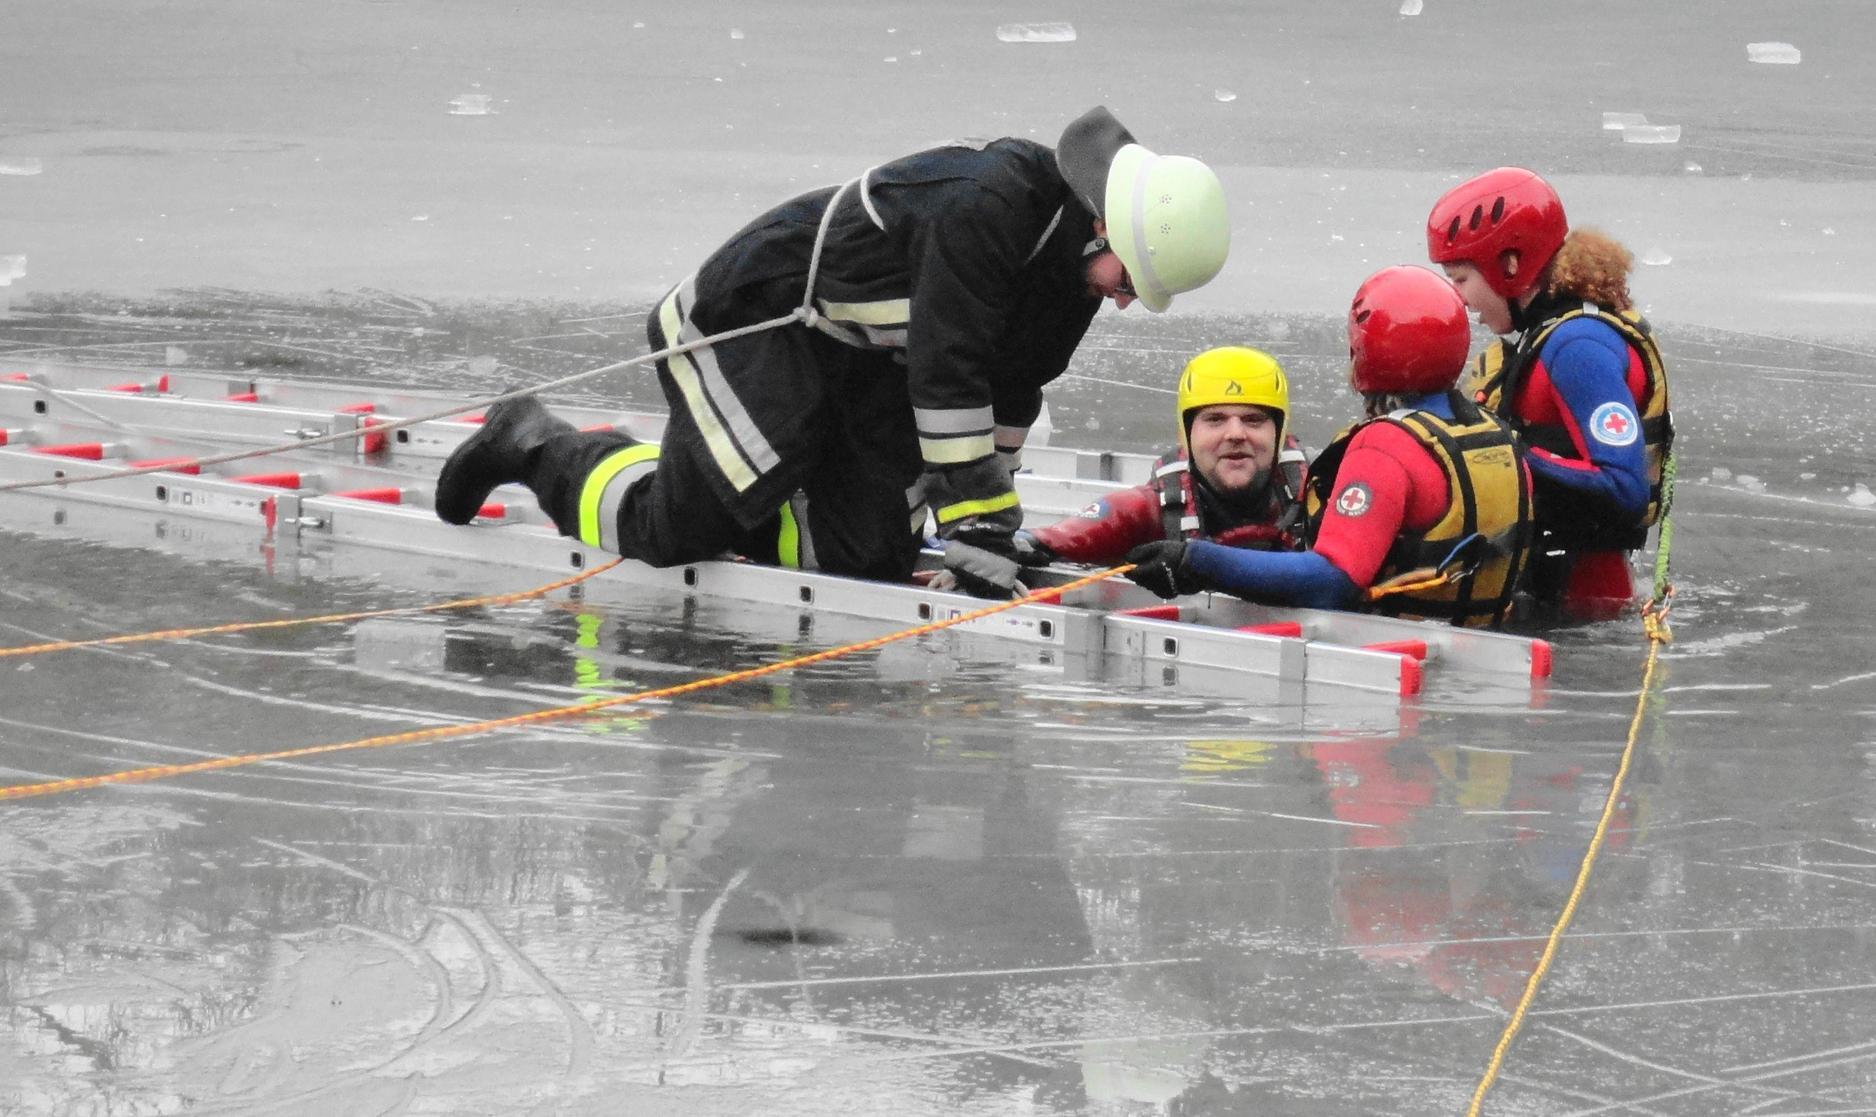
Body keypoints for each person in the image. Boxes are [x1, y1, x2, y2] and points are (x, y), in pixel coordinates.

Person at [432, 107, 1230, 596]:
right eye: (1131, 278)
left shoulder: (1073, 275)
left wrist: (992, 520)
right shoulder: (989, 206)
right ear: (1103, 225)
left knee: (867, 556)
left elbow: (1012, 391)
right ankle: (535, 444)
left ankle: (752, 493)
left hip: (864, 361)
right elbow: (949, 377)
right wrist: (979, 526)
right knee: (682, 525)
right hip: (760, 319)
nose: (1125, 300)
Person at [1123, 265, 1534, 629]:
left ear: (1366, 350)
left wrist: (1197, 562)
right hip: (1488, 641)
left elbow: (1332, 580)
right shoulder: (1495, 432)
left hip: (1395, 653)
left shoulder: (1386, 446)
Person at [1426, 166, 1672, 620]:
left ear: (1510, 265)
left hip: (1580, 610)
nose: (1457, 297)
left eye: (1460, 278)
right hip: (1551, 595)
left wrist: (1500, 454)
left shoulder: (1578, 346)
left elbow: (1624, 489)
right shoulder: (1548, 334)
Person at [1021, 346, 1307, 565]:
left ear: (1279, 433)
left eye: (1253, 420)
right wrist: (1022, 542)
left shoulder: (1320, 503)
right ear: (1187, 434)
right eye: (1215, 420)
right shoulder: (1149, 509)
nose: (1235, 434)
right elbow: (1056, 538)